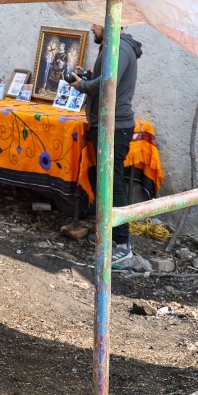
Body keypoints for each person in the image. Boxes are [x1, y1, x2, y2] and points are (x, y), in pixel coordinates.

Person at [69, 23, 148, 272]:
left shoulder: (120, 47)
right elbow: (104, 79)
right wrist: (88, 77)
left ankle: (123, 245)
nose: (91, 28)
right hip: (104, 123)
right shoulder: (110, 46)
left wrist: (83, 86)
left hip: (115, 125)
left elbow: (108, 83)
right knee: (104, 181)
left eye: (94, 23)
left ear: (106, 20)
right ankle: (109, 236)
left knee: (113, 183)